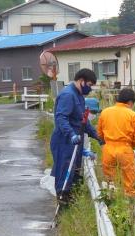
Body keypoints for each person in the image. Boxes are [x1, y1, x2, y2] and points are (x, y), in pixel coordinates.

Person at [50, 68, 102, 205]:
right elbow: (61, 118)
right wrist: (71, 134)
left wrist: (97, 135)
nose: (90, 89)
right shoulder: (68, 95)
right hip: (64, 140)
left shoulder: (79, 96)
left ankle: (71, 201)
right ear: (81, 81)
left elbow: (83, 120)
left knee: (75, 172)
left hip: (75, 142)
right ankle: (62, 201)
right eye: (89, 85)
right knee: (64, 170)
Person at [97, 88, 135, 198]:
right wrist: (131, 145)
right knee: (129, 181)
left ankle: (111, 204)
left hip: (108, 149)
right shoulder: (132, 115)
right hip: (125, 149)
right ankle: (129, 206)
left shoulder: (105, 112)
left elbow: (99, 133)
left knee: (110, 181)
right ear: (130, 102)